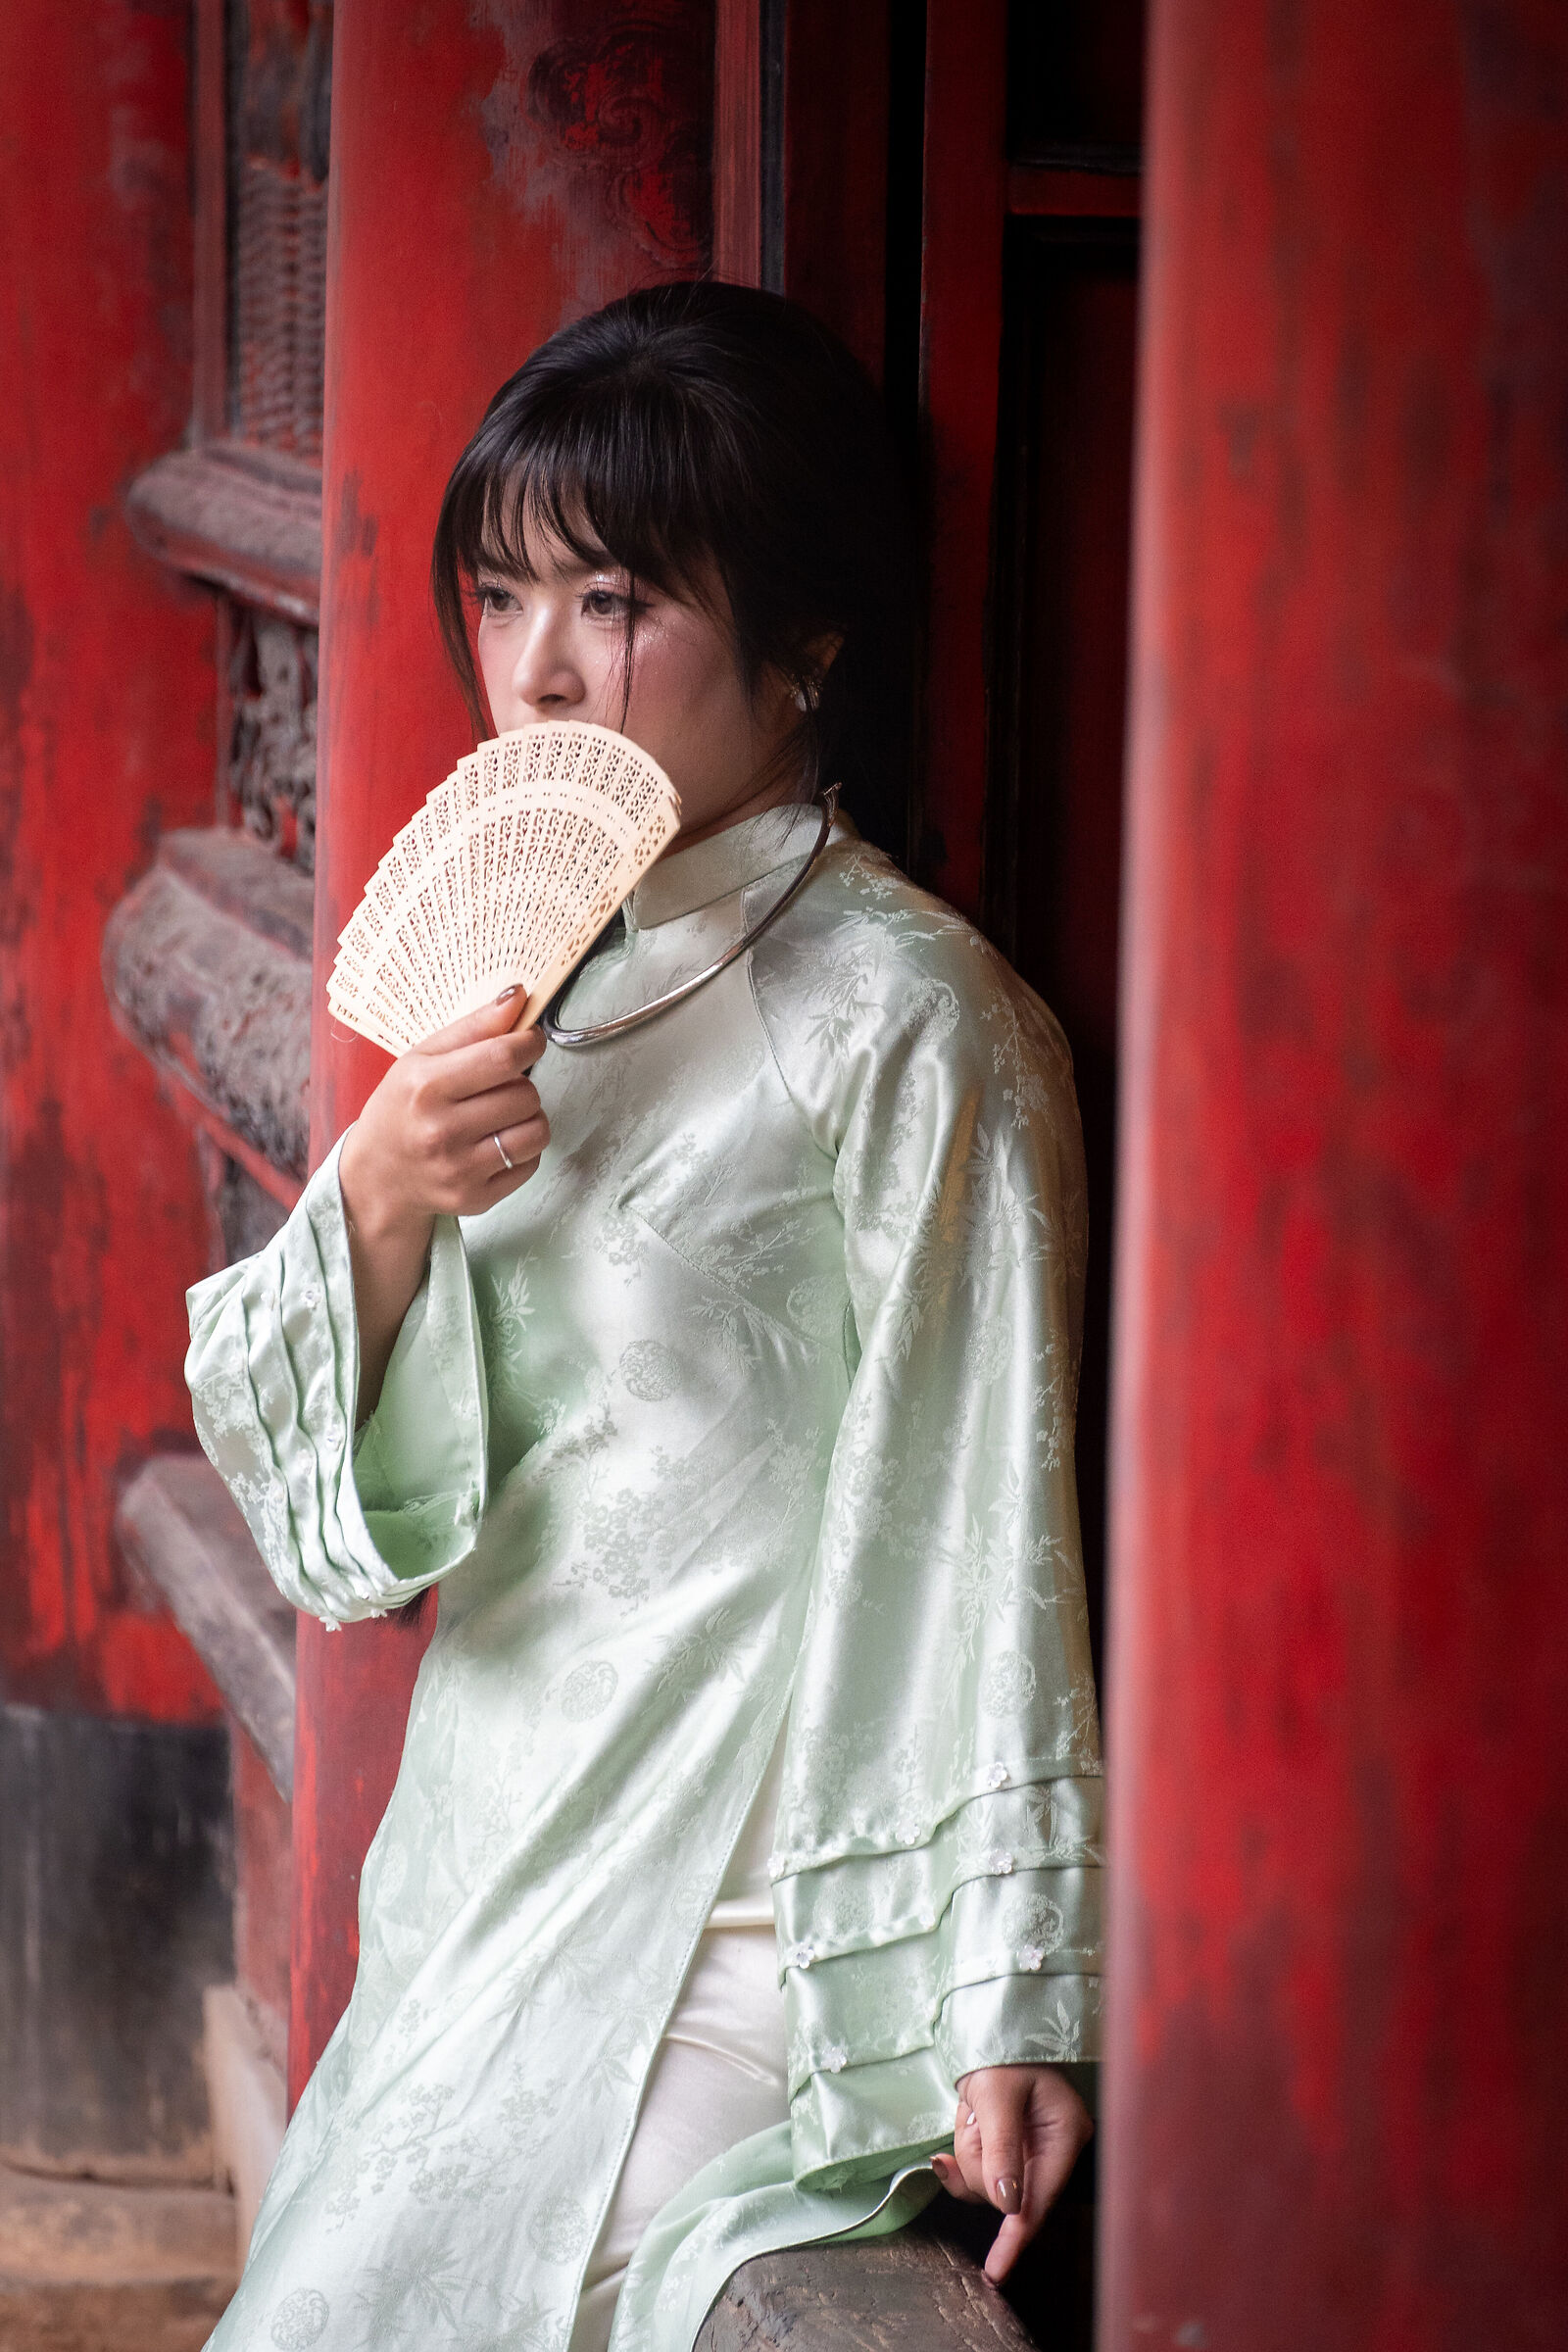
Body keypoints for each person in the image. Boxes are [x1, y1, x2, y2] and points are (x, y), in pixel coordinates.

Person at [186, 281, 1102, 2352]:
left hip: (735, 1884)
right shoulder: (537, 978)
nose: (531, 669)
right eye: (499, 597)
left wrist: (1010, 1989)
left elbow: (984, 1518)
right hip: (493, 1836)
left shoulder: (920, 1025)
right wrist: (395, 1200)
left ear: (807, 641)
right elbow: (337, 1511)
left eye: (608, 600)